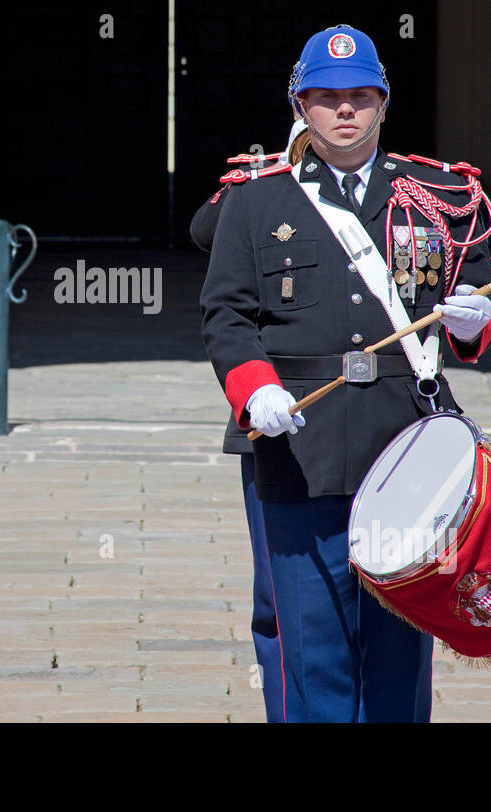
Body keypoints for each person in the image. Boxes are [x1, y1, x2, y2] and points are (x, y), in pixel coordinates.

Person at [200, 26, 491, 722]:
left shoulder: (435, 194)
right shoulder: (256, 201)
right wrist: (256, 390)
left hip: (406, 446)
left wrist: (474, 317)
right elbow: (226, 315)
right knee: (311, 652)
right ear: (299, 105)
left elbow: (489, 291)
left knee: (401, 650)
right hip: (296, 442)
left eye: (360, 96)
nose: (345, 110)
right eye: (326, 97)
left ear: (384, 103)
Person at [189, 118, 306, 722]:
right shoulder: (259, 184)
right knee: (281, 596)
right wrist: (280, 166)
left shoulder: (399, 192)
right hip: (276, 411)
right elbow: (204, 231)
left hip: (374, 420)